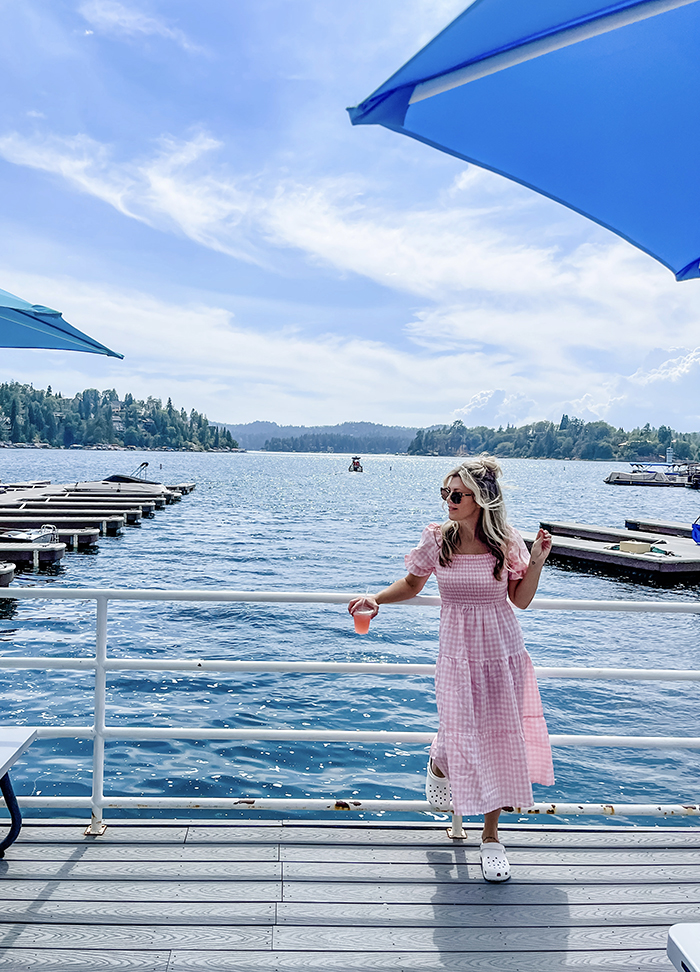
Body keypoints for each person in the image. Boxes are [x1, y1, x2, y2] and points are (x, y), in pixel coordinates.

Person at [348, 457, 554, 882]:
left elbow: (521, 600)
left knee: (497, 737)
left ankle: (491, 838)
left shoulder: (505, 542)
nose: (448, 501)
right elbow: (412, 583)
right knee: (459, 727)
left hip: (502, 650)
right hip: (457, 652)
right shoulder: (437, 539)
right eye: (445, 492)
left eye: (456, 494)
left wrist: (536, 560)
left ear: (480, 500)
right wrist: (376, 600)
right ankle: (440, 762)